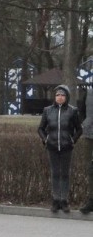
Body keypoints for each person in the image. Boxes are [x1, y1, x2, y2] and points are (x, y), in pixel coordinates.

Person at [37, 85, 82, 213]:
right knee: (55, 173)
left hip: (67, 147)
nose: (60, 97)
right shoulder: (48, 110)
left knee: (65, 174)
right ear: (54, 97)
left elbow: (79, 129)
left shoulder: (72, 111)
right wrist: (45, 140)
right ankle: (56, 200)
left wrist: (72, 140)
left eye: (62, 95)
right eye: (57, 95)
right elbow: (40, 128)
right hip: (52, 146)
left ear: (66, 97)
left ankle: (64, 200)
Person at [80, 87, 93, 215]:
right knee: (90, 168)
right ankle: (91, 200)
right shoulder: (88, 93)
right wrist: (85, 123)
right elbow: (81, 111)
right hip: (89, 135)